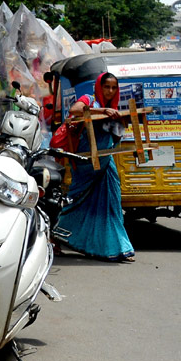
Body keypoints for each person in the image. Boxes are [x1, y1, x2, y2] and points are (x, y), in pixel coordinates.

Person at [56, 72, 135, 261]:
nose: (110, 91)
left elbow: (117, 135)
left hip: (106, 160)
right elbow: (75, 110)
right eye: (106, 86)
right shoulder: (89, 99)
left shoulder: (114, 108)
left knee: (113, 201)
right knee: (77, 200)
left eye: (114, 87)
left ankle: (118, 247)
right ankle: (56, 235)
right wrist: (102, 112)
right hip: (86, 162)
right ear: (100, 86)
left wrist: (120, 120)